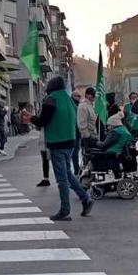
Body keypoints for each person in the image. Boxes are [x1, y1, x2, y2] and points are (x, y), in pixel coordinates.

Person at [32, 76, 94, 221]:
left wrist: (31, 118)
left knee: (62, 179)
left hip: (57, 143)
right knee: (68, 173)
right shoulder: (70, 100)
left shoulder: (51, 99)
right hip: (70, 142)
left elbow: (43, 121)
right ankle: (85, 199)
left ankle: (65, 210)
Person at [71, 92, 83, 174]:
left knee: (77, 150)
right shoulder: (73, 105)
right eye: (78, 96)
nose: (79, 97)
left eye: (80, 96)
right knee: (75, 152)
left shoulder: (78, 105)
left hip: (77, 133)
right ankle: (76, 169)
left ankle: (77, 168)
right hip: (74, 133)